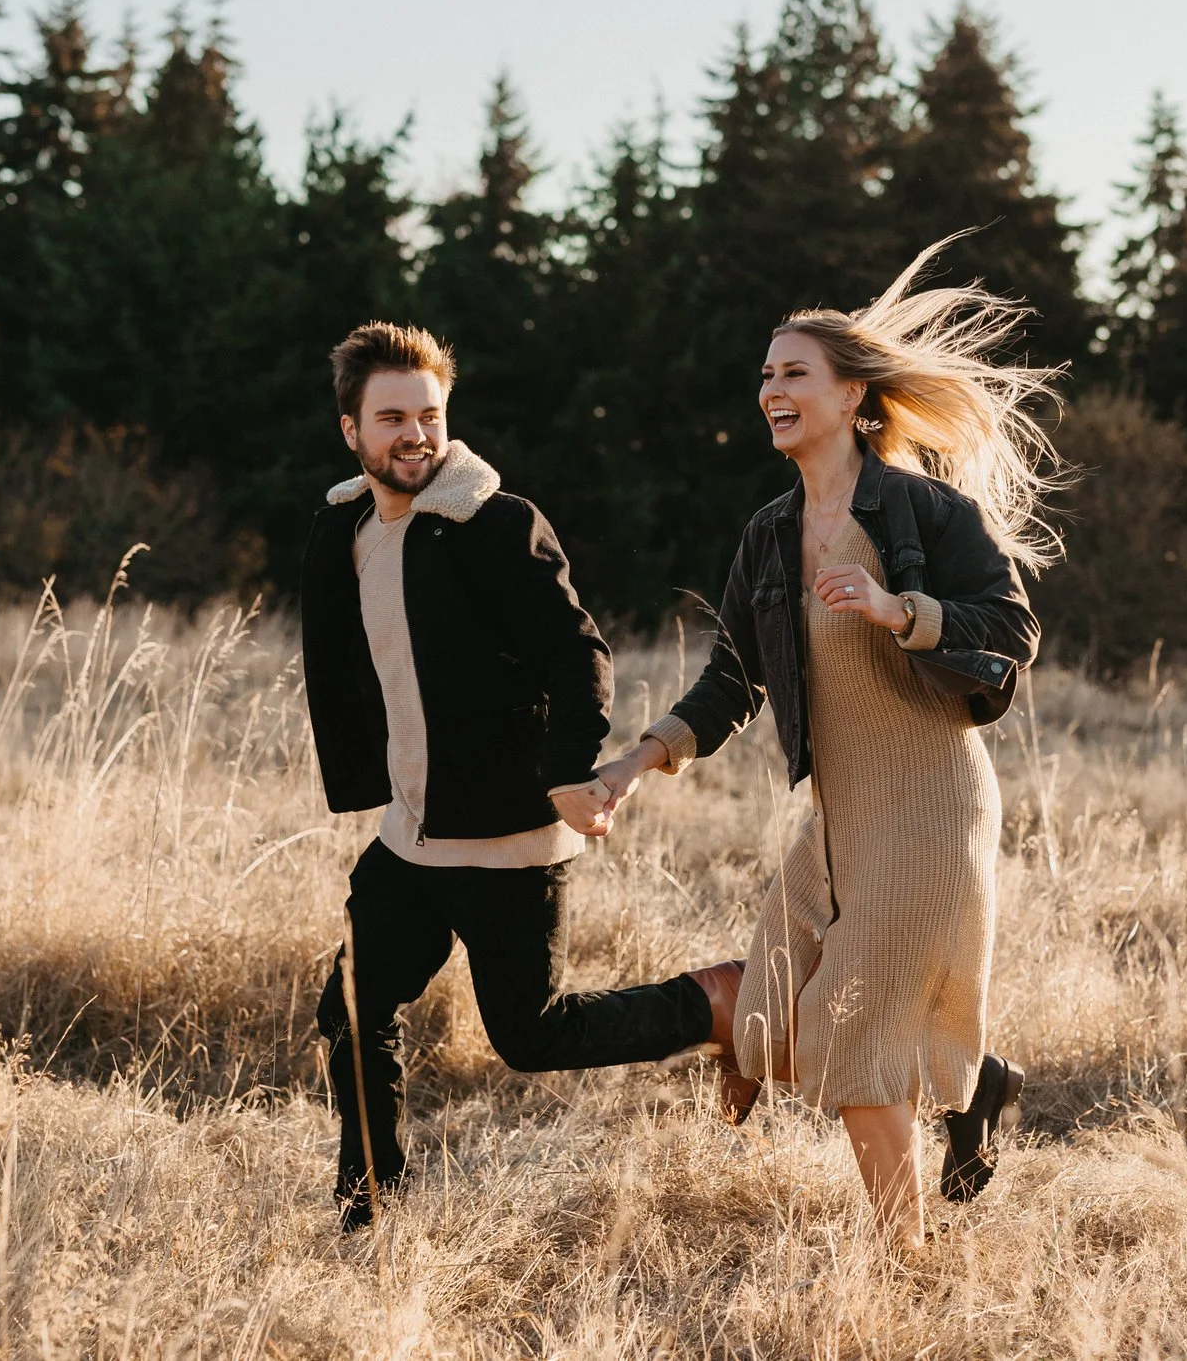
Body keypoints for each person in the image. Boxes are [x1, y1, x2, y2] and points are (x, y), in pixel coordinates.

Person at [590, 244, 1054, 1249]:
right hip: (840, 814)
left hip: (930, 803)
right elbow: (732, 679)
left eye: (792, 370)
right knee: (762, 1020)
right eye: (764, 374)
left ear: (853, 395)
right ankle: (978, 1084)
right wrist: (637, 760)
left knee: (850, 1040)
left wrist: (901, 609)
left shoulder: (923, 510)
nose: (770, 388)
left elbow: (1011, 627)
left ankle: (905, 1260)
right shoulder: (766, 534)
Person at [303, 321, 745, 1232]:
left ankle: (717, 1002)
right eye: (391, 418)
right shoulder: (346, 527)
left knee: (532, 1035)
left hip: (509, 837)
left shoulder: (496, 522)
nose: (415, 434)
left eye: (429, 415)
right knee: (351, 1007)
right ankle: (369, 1204)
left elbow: (577, 651)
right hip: (414, 835)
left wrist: (566, 773)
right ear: (351, 429)